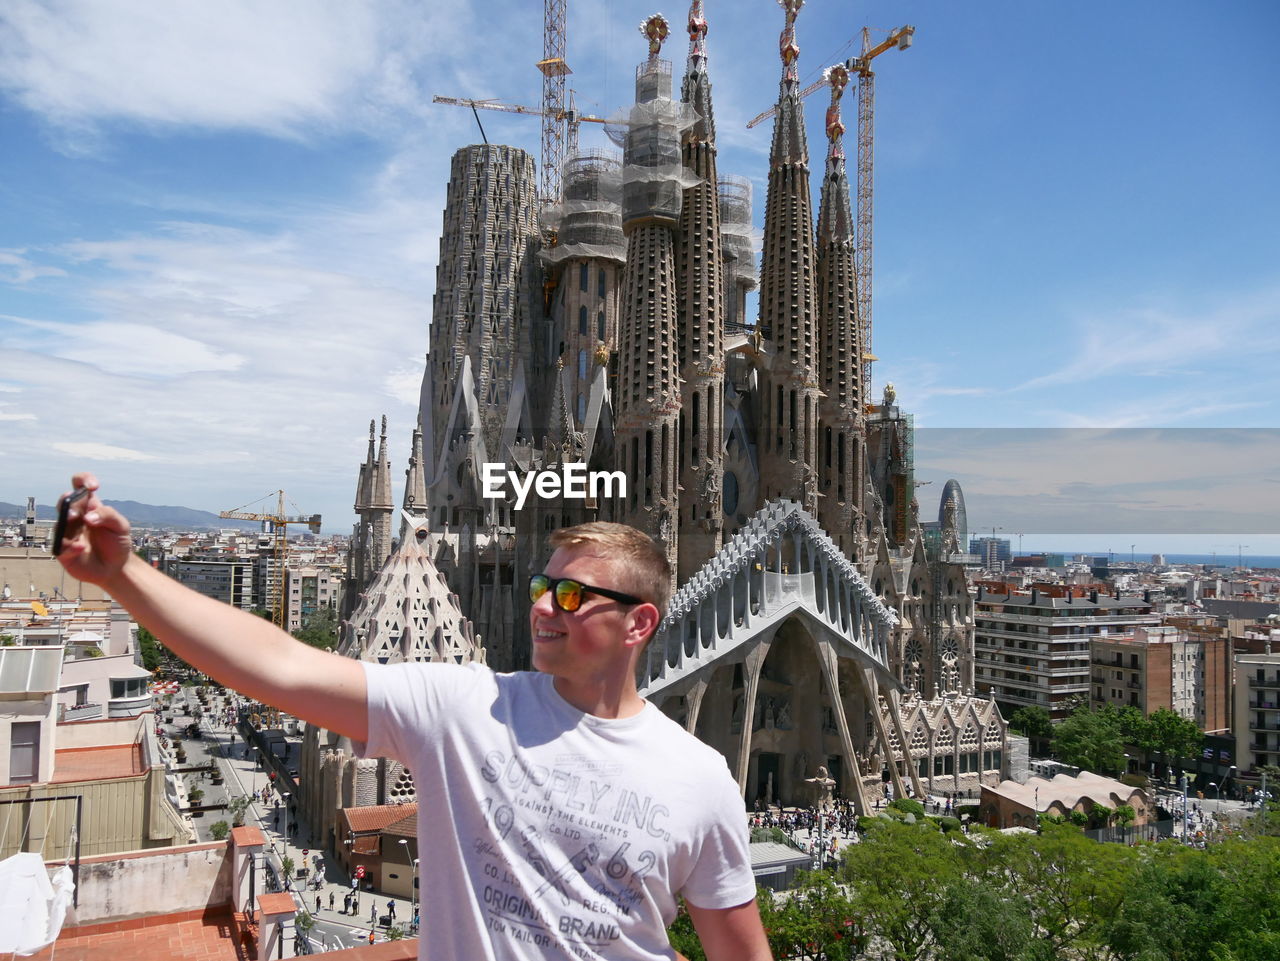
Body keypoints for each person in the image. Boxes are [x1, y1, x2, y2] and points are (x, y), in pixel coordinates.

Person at [56, 475, 771, 961]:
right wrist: (125, 574)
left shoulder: (701, 779)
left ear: (639, 622)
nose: (545, 607)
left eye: (575, 596)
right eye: (542, 585)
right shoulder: (466, 707)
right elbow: (278, 665)